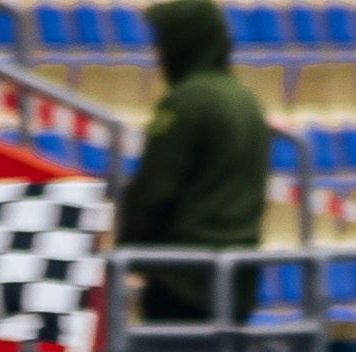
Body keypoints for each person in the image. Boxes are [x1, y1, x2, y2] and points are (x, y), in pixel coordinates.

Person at [116, 0, 272, 323]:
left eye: (162, 42)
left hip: (184, 276)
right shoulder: (246, 99)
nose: (157, 55)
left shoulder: (186, 103)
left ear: (184, 42)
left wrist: (127, 247)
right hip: (238, 275)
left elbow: (155, 191)